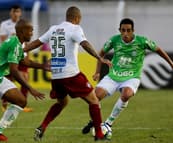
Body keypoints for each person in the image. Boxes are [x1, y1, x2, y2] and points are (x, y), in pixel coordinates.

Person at [24, 6, 112, 141]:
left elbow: (36, 42)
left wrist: (20, 50)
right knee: (94, 101)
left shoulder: (53, 29)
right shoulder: (75, 28)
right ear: (77, 18)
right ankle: (99, 135)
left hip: (56, 75)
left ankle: (42, 126)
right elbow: (85, 44)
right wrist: (98, 57)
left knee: (62, 102)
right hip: (71, 74)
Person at [82, 18, 173, 136]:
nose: (125, 33)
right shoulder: (114, 40)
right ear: (119, 30)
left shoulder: (142, 41)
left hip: (132, 77)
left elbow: (159, 50)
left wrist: (171, 64)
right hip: (113, 76)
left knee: (127, 94)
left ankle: (108, 123)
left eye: (128, 30)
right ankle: (95, 121)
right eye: (123, 30)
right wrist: (97, 72)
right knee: (94, 97)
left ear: (133, 30)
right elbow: (101, 54)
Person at [0, 5, 32, 112]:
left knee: (25, 78)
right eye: (14, 12)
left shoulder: (24, 24)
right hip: (11, 55)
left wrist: (28, 55)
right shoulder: (5, 24)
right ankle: (4, 102)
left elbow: (27, 41)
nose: (15, 14)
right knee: (9, 79)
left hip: (22, 55)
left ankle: (22, 104)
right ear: (10, 13)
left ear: (20, 13)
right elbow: (3, 41)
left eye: (17, 12)